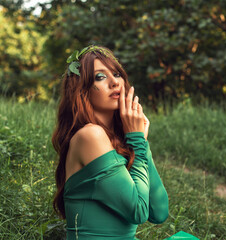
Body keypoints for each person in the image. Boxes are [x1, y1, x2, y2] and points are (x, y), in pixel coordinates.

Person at [51, 45, 169, 239]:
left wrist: (141, 142)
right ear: (82, 90)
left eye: (117, 74)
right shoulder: (90, 136)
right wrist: (138, 142)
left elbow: (159, 212)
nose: (115, 82)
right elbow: (138, 212)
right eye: (100, 76)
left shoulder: (123, 139)